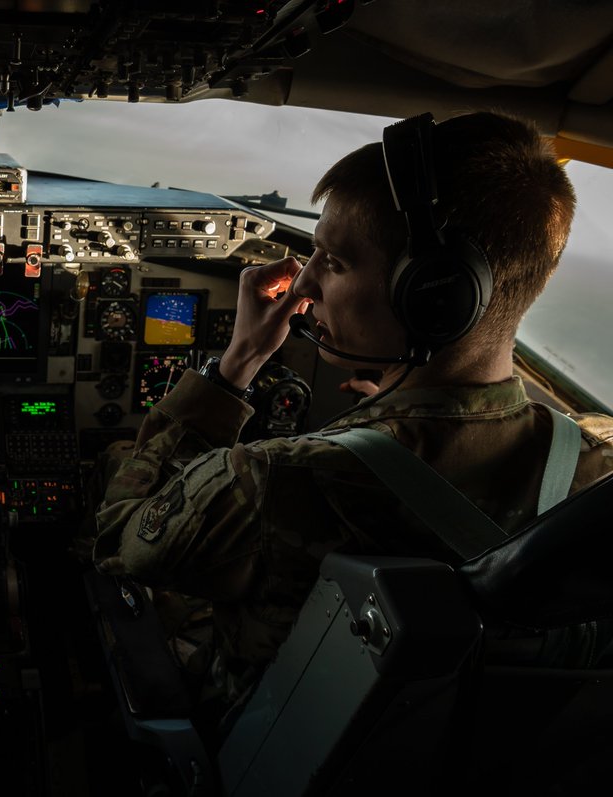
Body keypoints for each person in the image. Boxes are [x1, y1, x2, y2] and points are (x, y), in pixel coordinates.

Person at [92, 111, 613, 713]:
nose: (303, 286)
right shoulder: (597, 473)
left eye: (333, 262)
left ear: (436, 296)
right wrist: (390, 433)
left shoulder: (276, 479)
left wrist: (236, 363)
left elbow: (119, 538)